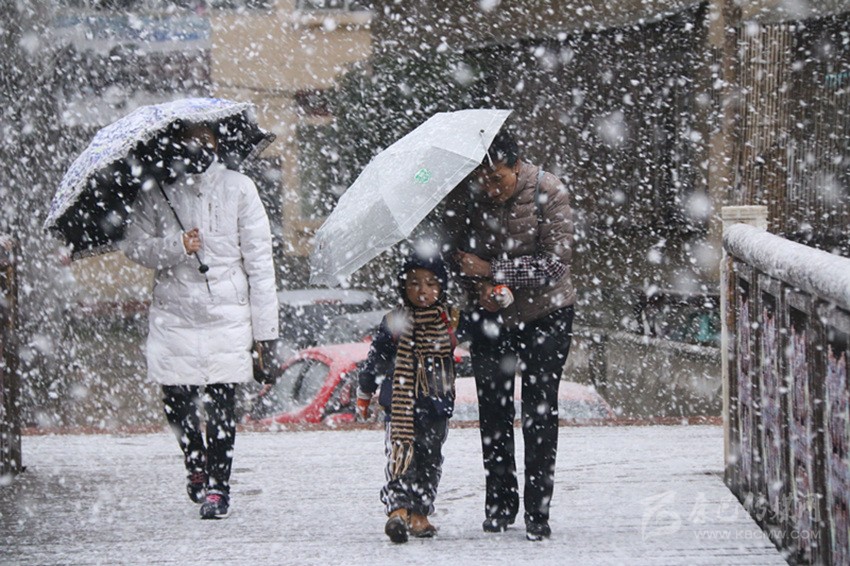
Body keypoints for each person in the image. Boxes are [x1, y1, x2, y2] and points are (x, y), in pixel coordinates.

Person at [120, 123, 279, 520]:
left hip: (228, 314)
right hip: (174, 314)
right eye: (188, 139)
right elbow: (134, 246)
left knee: (223, 403)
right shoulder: (157, 191)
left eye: (204, 139)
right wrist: (176, 245)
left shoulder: (240, 188)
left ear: (217, 142)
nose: (197, 147)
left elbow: (260, 265)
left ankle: (218, 486)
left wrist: (266, 335)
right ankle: (195, 462)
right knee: (177, 399)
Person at [451, 129, 576, 541]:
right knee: (493, 413)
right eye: (483, 180)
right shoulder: (472, 197)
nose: (490, 188)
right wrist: (479, 288)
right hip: (492, 317)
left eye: (497, 178)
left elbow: (555, 265)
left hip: (547, 314)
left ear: (517, 167)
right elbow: (462, 257)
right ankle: (500, 504)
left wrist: (494, 271)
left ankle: (538, 511)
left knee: (540, 411)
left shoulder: (549, 190)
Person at [355, 251, 460, 544]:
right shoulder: (394, 321)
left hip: (436, 404)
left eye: (430, 284)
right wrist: (365, 390)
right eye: (414, 283)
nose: (422, 290)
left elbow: (481, 333)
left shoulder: (450, 319)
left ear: (441, 288)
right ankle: (398, 511)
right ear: (403, 287)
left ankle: (419, 513)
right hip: (400, 405)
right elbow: (376, 359)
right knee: (401, 457)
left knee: (430, 460)